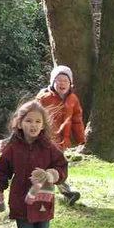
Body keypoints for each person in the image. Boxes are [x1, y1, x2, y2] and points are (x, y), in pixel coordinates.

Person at [0, 100, 68, 228]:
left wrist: (51, 174)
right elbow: (2, 171)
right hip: (21, 201)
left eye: (37, 121)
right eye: (28, 121)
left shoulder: (49, 147)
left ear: (43, 124)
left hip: (42, 200)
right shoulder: (12, 148)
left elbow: (62, 167)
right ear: (19, 123)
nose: (33, 125)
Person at [36, 65, 85, 205]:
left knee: (58, 165)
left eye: (65, 80)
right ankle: (47, 193)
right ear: (52, 82)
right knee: (44, 164)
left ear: (70, 83)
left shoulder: (73, 99)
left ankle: (66, 193)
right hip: (44, 138)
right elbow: (33, 115)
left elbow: (77, 119)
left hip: (61, 140)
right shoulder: (43, 97)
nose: (62, 83)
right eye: (58, 80)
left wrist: (80, 137)